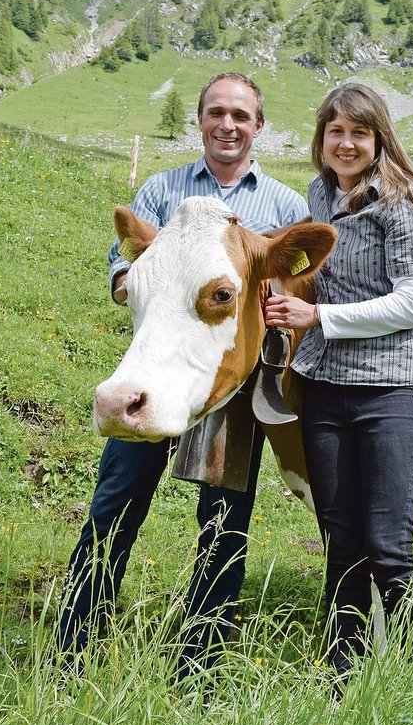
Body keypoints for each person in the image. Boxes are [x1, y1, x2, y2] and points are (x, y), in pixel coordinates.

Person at [56, 72, 307, 676]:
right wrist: (135, 282)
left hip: (231, 389)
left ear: (259, 127)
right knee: (116, 503)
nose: (228, 124)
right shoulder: (162, 190)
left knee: (224, 523)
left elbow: (296, 280)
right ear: (200, 121)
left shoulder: (283, 207)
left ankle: (199, 663)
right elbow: (123, 267)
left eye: (241, 115)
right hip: (160, 372)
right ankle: (72, 646)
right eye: (216, 112)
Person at [263, 82, 413, 680]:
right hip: (326, 389)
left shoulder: (405, 201)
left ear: (378, 139)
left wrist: (321, 319)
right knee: (341, 548)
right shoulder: (319, 194)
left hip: (393, 391)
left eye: (358, 133)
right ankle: (343, 679)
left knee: (389, 549)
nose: (346, 144)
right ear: (322, 138)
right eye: (335, 131)